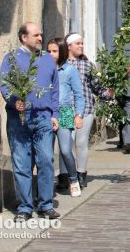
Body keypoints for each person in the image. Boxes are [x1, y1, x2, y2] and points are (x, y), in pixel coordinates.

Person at [0, 22, 60, 221]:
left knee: (45, 160)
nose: (40, 39)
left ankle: (45, 205)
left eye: (41, 35)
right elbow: (5, 85)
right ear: (23, 38)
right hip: (19, 120)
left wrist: (55, 115)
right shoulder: (11, 60)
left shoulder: (48, 60)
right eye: (36, 35)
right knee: (22, 163)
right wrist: (14, 101)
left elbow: (54, 90)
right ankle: (25, 207)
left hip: (43, 117)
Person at [64, 33, 111, 189]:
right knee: (66, 143)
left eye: (82, 43)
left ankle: (81, 173)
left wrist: (108, 94)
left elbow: (97, 87)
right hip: (65, 109)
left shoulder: (88, 65)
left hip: (86, 109)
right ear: (68, 46)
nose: (81, 46)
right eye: (77, 43)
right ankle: (64, 176)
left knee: (81, 142)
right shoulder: (61, 64)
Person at [47, 37, 85, 197]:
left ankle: (73, 179)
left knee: (65, 150)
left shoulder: (69, 70)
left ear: (62, 52)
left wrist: (79, 115)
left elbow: (79, 95)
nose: (50, 54)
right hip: (47, 113)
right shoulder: (44, 69)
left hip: (64, 113)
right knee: (46, 153)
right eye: (48, 51)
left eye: (54, 51)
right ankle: (46, 186)